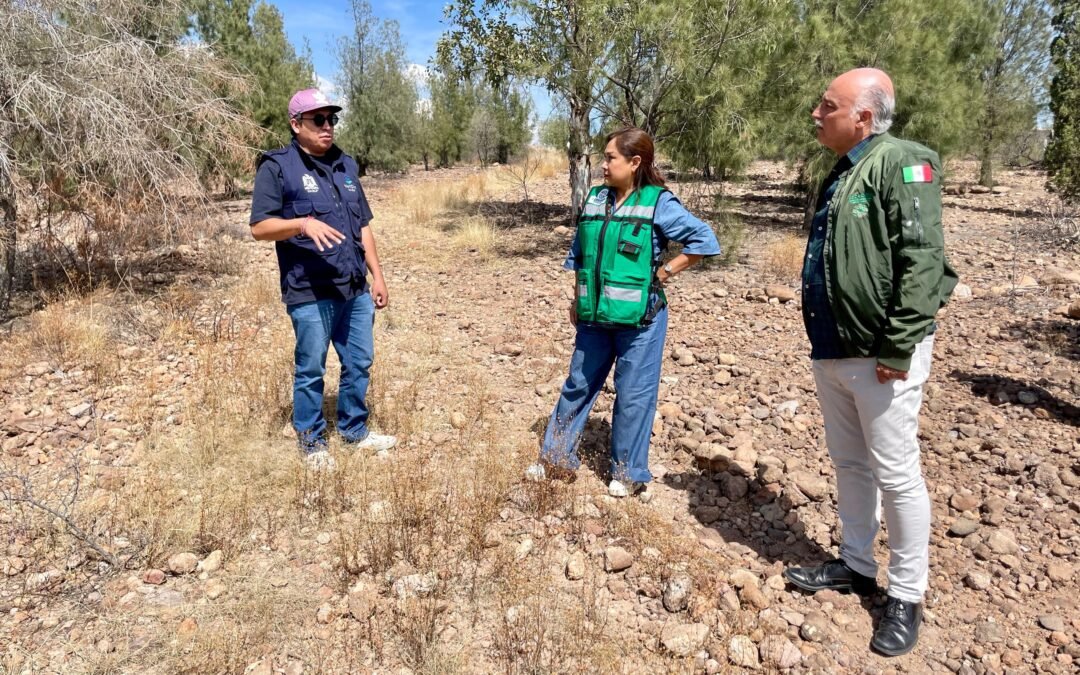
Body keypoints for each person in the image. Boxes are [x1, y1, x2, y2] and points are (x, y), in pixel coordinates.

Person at [782, 68, 958, 656]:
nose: (815, 112)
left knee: (896, 472)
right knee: (851, 464)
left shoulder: (903, 160)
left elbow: (923, 257)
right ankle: (855, 565)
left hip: (881, 353)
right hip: (835, 346)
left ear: (862, 115)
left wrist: (899, 344)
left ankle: (907, 595)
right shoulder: (847, 167)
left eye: (826, 105)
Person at [525, 127, 720, 498]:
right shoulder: (596, 198)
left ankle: (627, 474)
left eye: (610, 157)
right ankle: (555, 458)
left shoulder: (658, 202)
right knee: (577, 386)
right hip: (594, 320)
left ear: (634, 163)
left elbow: (704, 241)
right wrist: (576, 301)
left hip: (640, 323)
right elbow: (580, 254)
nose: (603, 164)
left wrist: (664, 272)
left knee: (633, 394)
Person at [249, 88, 396, 469]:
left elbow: (363, 227)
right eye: (319, 120)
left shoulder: (346, 165)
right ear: (296, 124)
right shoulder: (277, 167)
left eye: (332, 119)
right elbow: (260, 228)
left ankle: (354, 431)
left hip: (354, 288)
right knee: (311, 367)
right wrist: (301, 223)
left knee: (359, 362)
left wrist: (377, 276)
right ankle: (312, 443)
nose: (328, 126)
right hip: (310, 291)